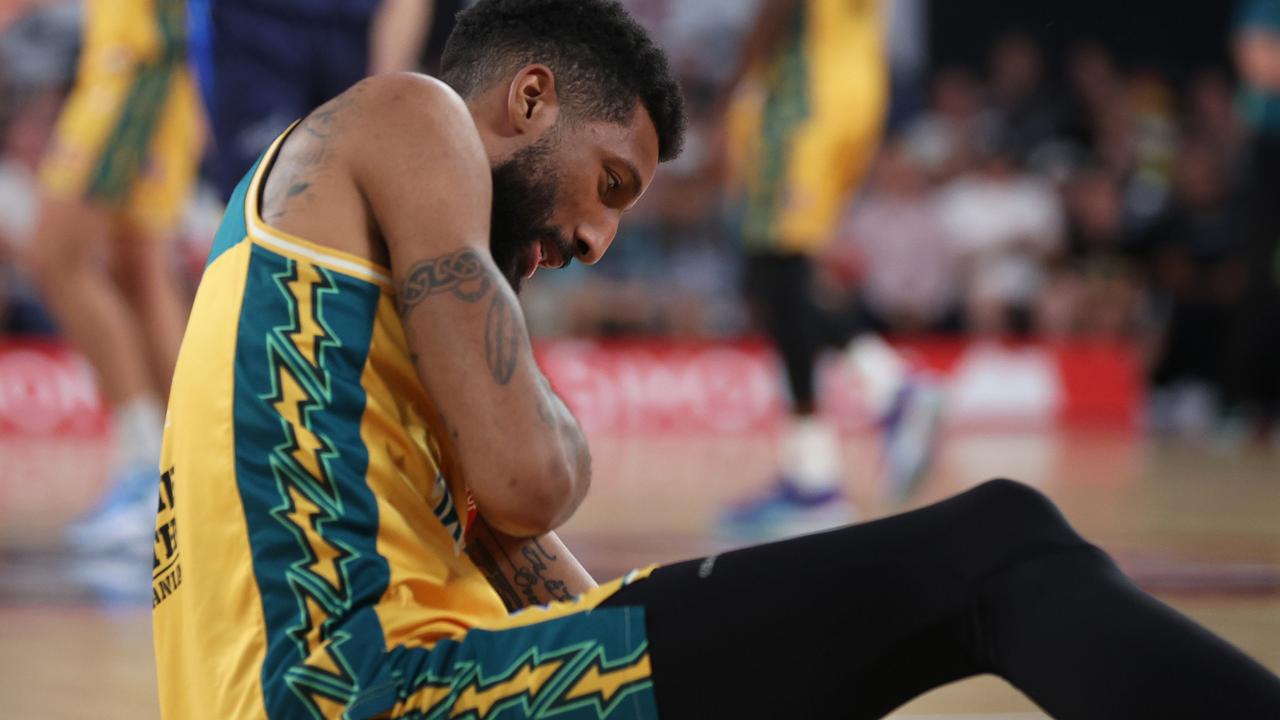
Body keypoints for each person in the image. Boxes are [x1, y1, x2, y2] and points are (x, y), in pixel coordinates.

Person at [153, 1, 1280, 717]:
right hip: (371, 695)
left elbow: (563, 591)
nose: (596, 243)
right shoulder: (414, 115)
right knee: (997, 545)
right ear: (528, 97)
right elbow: (531, 479)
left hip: (397, 685)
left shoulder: (371, 336)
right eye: (610, 186)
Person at [714, 0, 942, 539]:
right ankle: (812, 474)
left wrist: (736, 89)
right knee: (774, 278)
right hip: (853, 86)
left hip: (804, 97)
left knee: (778, 271)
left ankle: (892, 388)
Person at [26, 0, 202, 555]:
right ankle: (188, 475)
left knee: (54, 256)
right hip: (147, 63)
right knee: (139, 269)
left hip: (140, 63)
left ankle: (146, 469)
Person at [188, 0, 435, 201]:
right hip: (255, 40)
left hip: (357, 41)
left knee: (354, 203)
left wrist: (383, 89)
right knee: (259, 197)